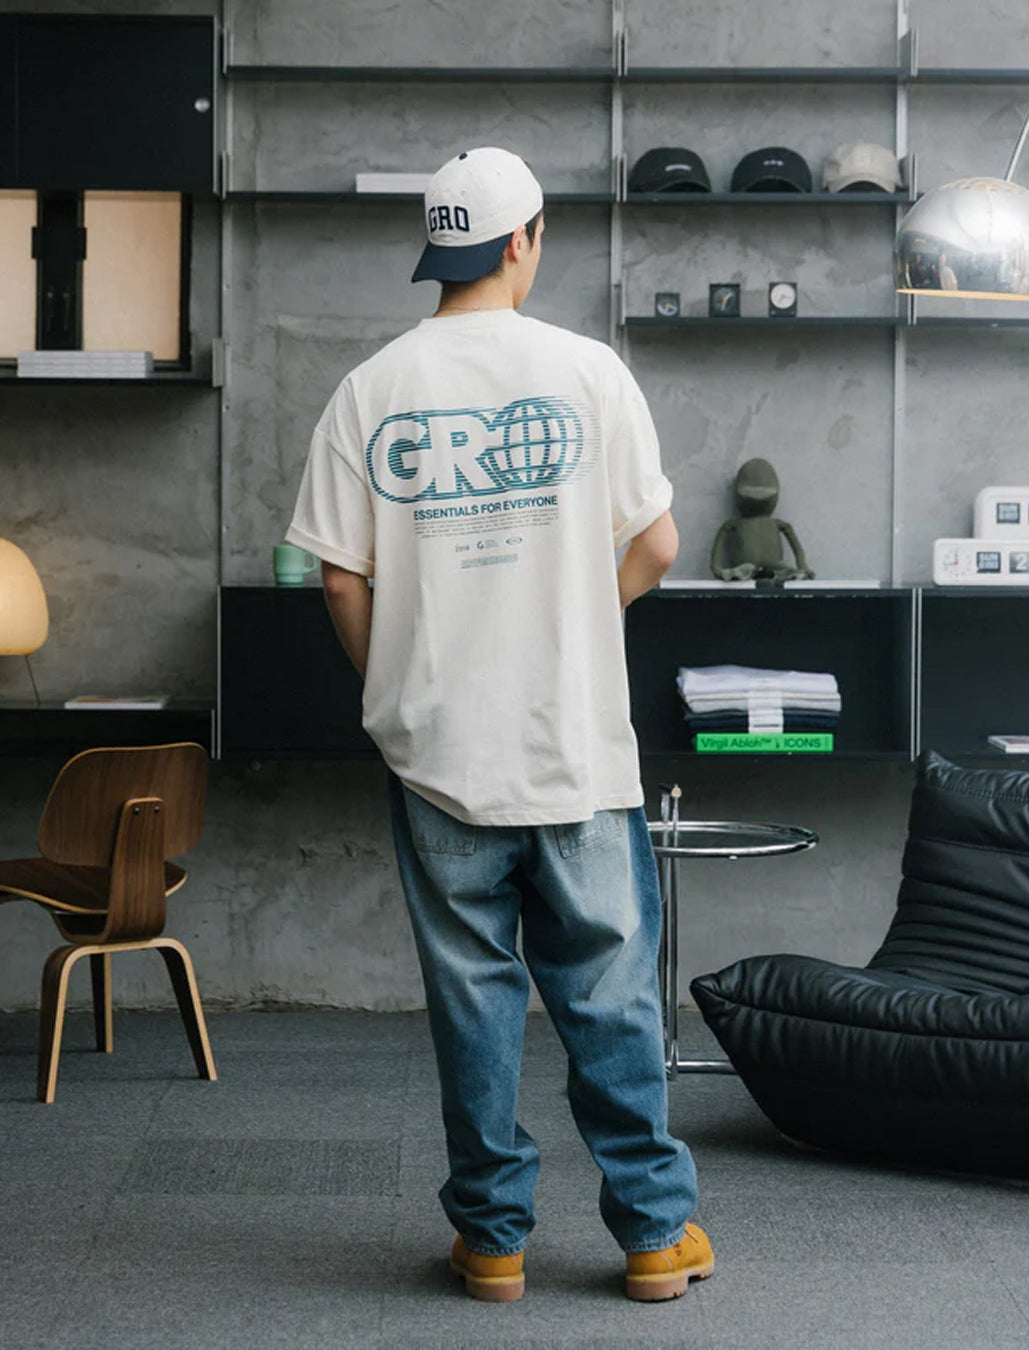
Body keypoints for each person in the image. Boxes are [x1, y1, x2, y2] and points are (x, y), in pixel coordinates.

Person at [286, 146, 710, 1304]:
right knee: (611, 996)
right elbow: (660, 544)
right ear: (527, 240)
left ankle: (494, 1243)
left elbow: (335, 578)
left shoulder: (371, 388)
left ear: (442, 248)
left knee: (475, 1002)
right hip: (573, 745)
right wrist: (578, 610)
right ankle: (655, 1239)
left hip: (439, 757)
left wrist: (398, 690)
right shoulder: (588, 371)